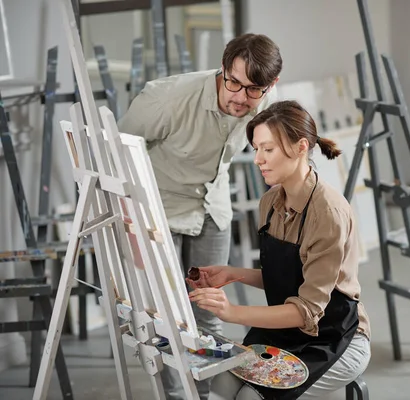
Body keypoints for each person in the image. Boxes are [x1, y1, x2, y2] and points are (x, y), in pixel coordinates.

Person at [117, 33, 282, 400]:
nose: (240, 97)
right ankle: (177, 398)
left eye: (253, 89)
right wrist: (129, 223)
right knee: (167, 317)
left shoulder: (263, 102)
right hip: (160, 209)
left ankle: (202, 395)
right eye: (233, 82)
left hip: (212, 207)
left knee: (209, 311)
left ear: (271, 85)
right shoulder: (168, 98)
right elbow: (116, 151)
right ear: (223, 70)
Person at [188, 100, 372, 400]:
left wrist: (232, 312)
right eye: (255, 148)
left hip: (333, 337)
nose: (258, 159)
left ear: (301, 147)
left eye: (268, 149)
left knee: (250, 397)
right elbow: (288, 275)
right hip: (284, 329)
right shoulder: (271, 202)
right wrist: (235, 274)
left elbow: (308, 310)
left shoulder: (327, 213)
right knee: (221, 385)